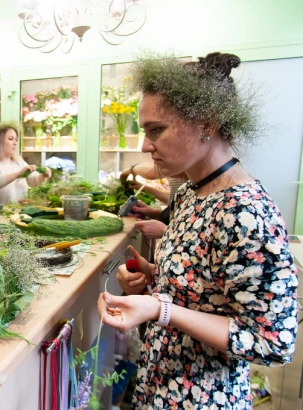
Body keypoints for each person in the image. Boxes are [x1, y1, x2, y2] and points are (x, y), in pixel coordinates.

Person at [98, 52, 298, 409]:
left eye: (156, 130)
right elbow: (208, 290)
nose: (145, 145)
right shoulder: (193, 191)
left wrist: (160, 309)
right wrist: (155, 277)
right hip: (160, 385)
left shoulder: (246, 212)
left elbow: (272, 342)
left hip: (203, 397)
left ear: (206, 124)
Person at [0, 122, 51, 204]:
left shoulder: (18, 162)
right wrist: (17, 174)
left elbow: (33, 180)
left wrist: (43, 176)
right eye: (11, 139)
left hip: (19, 214)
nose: (15, 143)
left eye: (16, 139)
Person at [119, 162, 187, 239]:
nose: (146, 149)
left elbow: (152, 172)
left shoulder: (182, 165)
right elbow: (175, 200)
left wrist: (165, 231)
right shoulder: (187, 187)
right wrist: (155, 213)